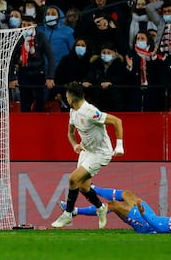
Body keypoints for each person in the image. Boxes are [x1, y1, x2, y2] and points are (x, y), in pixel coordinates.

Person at [51, 81, 124, 229]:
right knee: (83, 187)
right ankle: (101, 208)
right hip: (86, 151)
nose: (66, 98)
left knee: (73, 179)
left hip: (100, 153)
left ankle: (68, 213)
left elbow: (117, 121)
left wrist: (119, 146)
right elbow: (70, 133)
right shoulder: (73, 112)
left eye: (67, 95)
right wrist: (75, 145)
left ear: (71, 97)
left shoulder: (90, 112)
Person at [58, 184, 171, 234]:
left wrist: (143, 215)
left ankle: (75, 211)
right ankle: (92, 188)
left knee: (114, 205)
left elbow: (161, 228)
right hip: (152, 217)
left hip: (147, 224)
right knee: (127, 194)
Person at [8, 15, 56, 112]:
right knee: (25, 100)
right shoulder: (18, 37)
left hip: (39, 73)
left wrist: (50, 77)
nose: (25, 27)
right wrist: (12, 78)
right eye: (23, 25)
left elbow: (51, 57)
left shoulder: (41, 36)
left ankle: (40, 123)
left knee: (39, 100)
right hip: (23, 73)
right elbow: (11, 58)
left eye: (28, 25)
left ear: (34, 25)